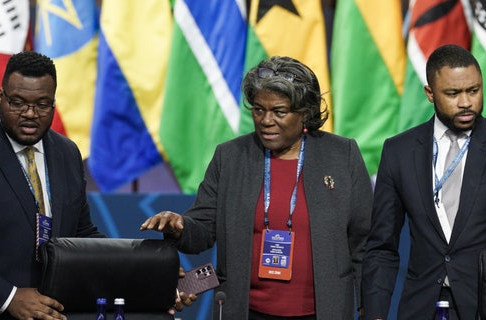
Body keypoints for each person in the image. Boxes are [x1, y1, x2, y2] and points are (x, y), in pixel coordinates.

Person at [0, 51, 193, 320]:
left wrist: (148, 275)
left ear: (54, 103)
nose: (30, 114)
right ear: (0, 96)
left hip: (61, 311)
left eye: (42, 104)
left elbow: (81, 235)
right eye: (18, 103)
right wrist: (8, 297)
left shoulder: (66, 152)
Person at [140, 56, 373, 319]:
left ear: (305, 113)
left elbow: (364, 243)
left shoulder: (341, 155)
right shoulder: (230, 157)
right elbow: (203, 229)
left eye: (279, 112)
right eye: (259, 109)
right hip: (246, 311)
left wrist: (370, 306)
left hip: (323, 312)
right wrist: (179, 225)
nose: (266, 120)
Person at [360, 44, 486, 320]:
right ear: (429, 94)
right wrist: (374, 314)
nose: (466, 103)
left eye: (473, 90)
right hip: (421, 307)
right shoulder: (398, 151)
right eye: (453, 93)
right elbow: (381, 247)